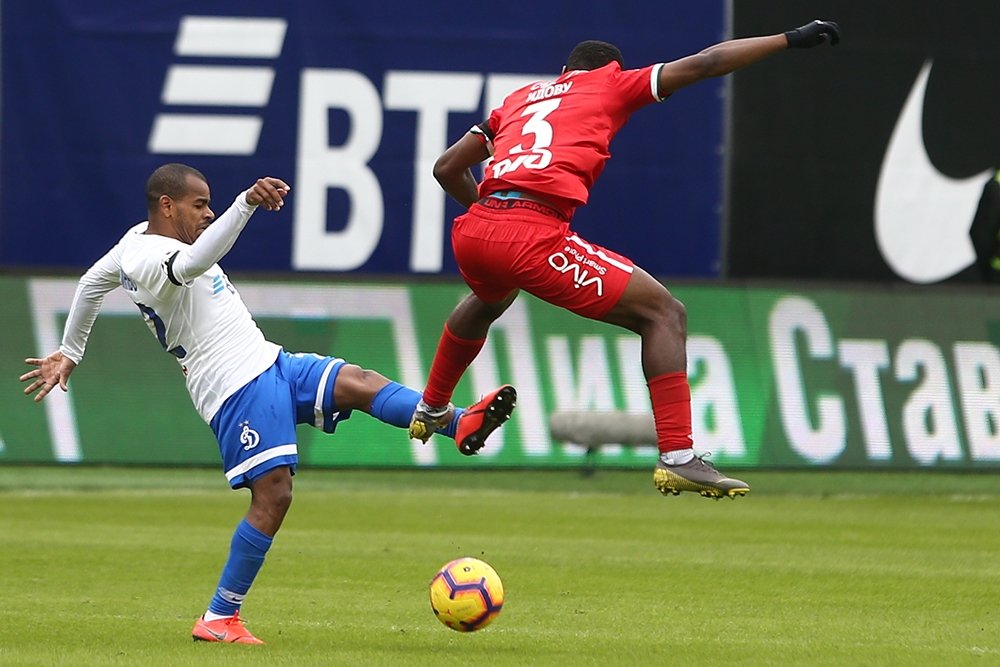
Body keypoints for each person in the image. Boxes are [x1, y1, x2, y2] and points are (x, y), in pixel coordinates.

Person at [19, 163, 516, 644]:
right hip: (233, 386)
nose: (208, 213)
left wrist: (70, 351)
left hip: (268, 361)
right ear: (167, 206)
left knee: (359, 382)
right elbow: (191, 265)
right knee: (274, 495)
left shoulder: (132, 241)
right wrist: (244, 204)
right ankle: (220, 616)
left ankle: (457, 423)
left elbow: (90, 283)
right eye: (200, 205)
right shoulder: (147, 257)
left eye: (212, 204)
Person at [408, 20, 841, 498]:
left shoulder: (519, 99)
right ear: (610, 68)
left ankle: (432, 407)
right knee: (664, 314)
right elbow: (707, 63)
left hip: (476, 229)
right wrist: (789, 38)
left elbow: (446, 167)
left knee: (489, 299)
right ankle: (678, 456)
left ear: (564, 70)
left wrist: (493, 217)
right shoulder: (611, 83)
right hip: (533, 230)